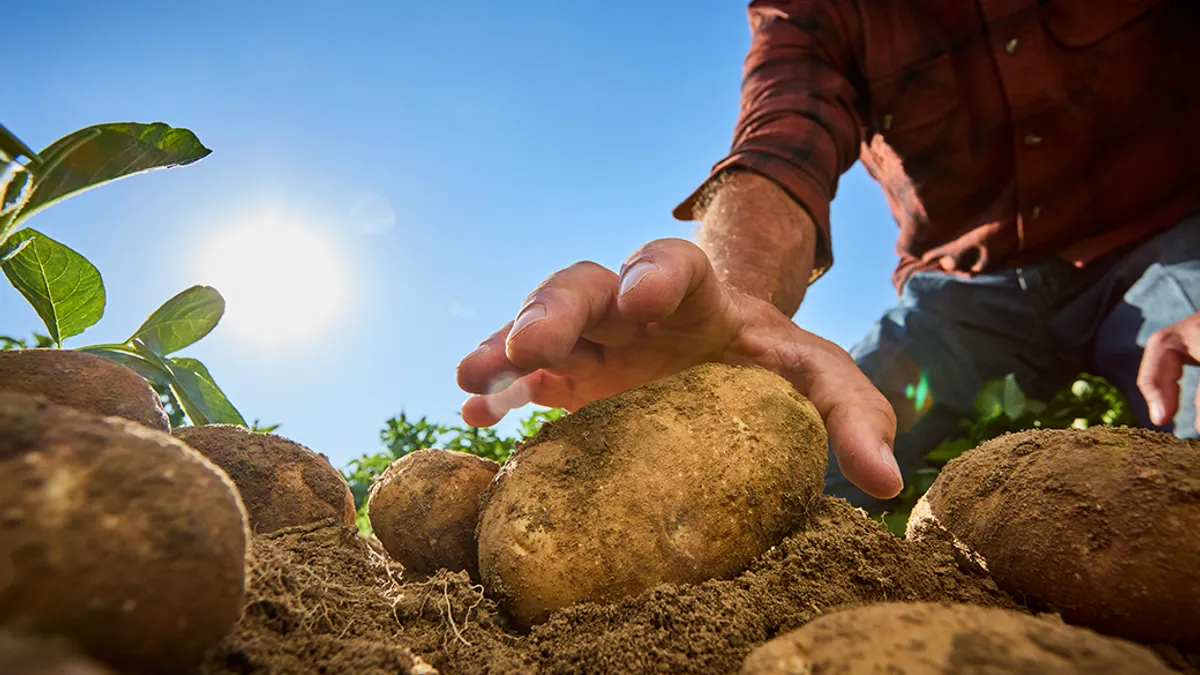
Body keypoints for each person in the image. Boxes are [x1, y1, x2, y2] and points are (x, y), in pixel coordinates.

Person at [456, 0, 1200, 511]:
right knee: (788, 458)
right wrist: (730, 304)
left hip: (1165, 242)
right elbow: (782, 150)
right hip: (966, 290)